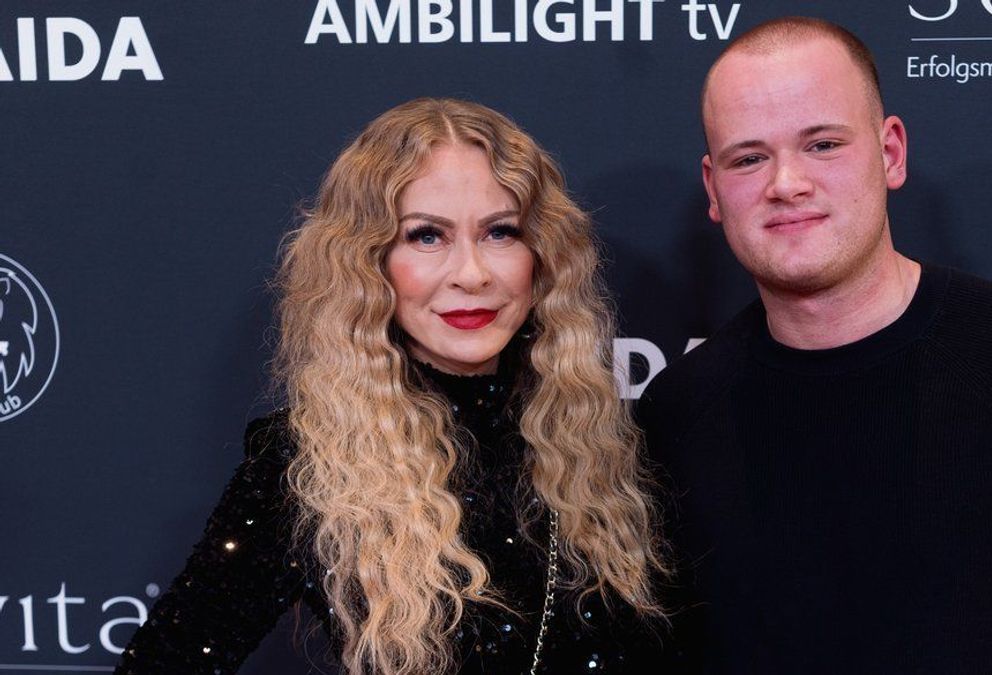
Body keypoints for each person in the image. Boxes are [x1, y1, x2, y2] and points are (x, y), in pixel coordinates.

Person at [638, 16, 992, 674]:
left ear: (891, 152)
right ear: (714, 189)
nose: (785, 181)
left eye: (821, 144)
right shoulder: (676, 415)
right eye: (749, 157)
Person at [116, 98, 673, 675]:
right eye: (427, 236)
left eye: (500, 232)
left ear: (543, 255)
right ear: (369, 263)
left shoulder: (608, 442)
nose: (472, 273)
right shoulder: (306, 467)